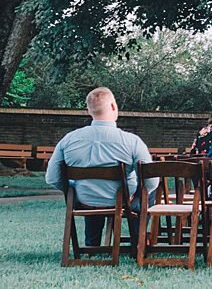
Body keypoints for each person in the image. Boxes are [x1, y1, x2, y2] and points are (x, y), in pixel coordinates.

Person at [45, 87, 158, 247]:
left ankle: (92, 244)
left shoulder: (68, 140)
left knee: (90, 189)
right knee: (149, 193)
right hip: (123, 200)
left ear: (89, 110)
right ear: (113, 106)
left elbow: (52, 178)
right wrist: (137, 194)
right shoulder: (132, 141)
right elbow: (151, 181)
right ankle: (137, 243)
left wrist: (72, 189)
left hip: (85, 200)